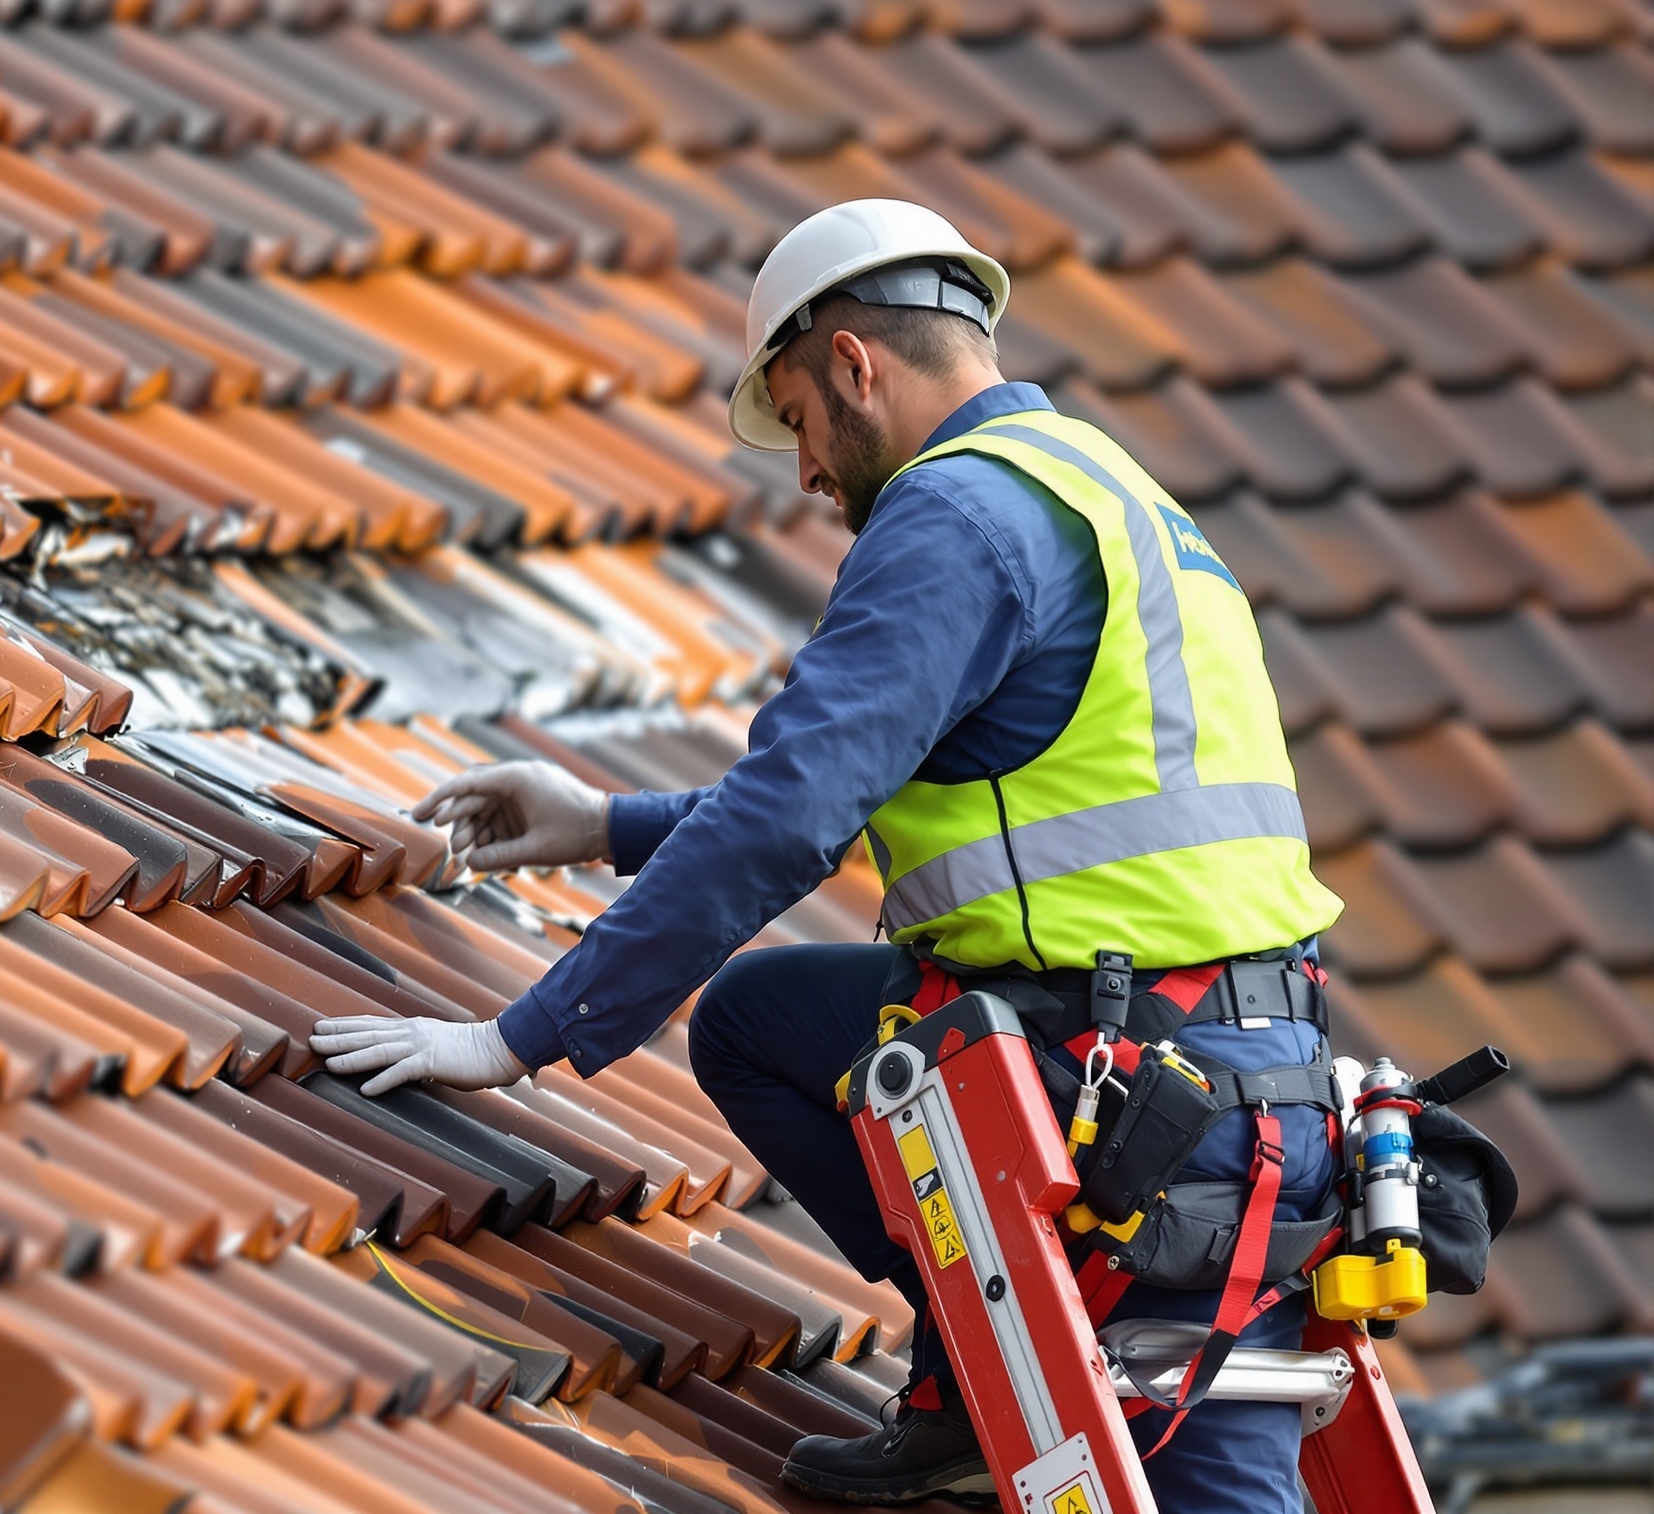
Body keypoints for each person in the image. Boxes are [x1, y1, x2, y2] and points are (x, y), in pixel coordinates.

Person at [311, 200, 1346, 1513]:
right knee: (761, 1019)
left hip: (1126, 1104)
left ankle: (988, 1376)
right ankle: (985, 1379)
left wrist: (524, 1035)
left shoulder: (953, 519)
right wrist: (604, 823)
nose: (804, 469)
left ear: (856, 364)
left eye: (797, 415)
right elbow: (892, 783)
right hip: (1264, 1092)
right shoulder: (1107, 492)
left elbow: (793, 812)